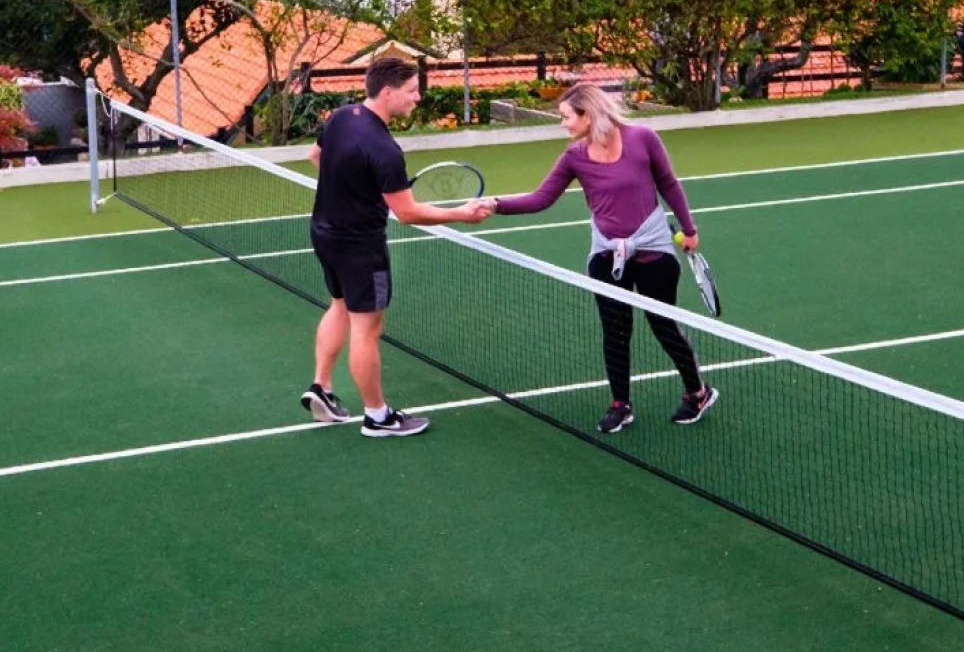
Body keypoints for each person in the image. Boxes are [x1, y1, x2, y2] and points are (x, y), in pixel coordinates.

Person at [484, 83, 716, 432]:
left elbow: (668, 183)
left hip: (653, 248)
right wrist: (495, 205)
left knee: (663, 325)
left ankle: (697, 392)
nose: (562, 124)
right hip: (607, 254)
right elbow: (540, 198)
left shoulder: (643, 138)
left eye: (566, 117)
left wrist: (689, 228)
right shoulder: (574, 156)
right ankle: (620, 404)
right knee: (615, 330)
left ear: (587, 114)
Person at [301, 56, 492, 437]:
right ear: (387, 92)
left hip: (324, 232)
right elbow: (406, 213)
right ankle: (378, 417)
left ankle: (321, 386)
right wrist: (462, 215)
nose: (417, 98)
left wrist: (350, 188)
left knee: (339, 305)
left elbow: (316, 156)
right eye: (411, 91)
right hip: (361, 245)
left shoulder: (342, 116)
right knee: (366, 330)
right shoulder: (385, 149)